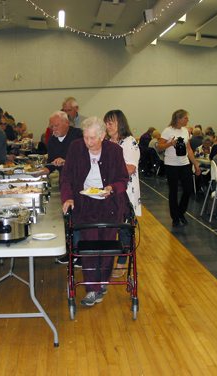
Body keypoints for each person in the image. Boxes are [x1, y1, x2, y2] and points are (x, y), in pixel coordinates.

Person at [61, 116, 129, 306]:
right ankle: (93, 288)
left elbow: (123, 179)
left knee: (106, 246)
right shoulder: (76, 148)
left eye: (92, 138)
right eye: (86, 137)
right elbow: (66, 177)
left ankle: (102, 282)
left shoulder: (115, 151)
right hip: (84, 203)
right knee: (89, 246)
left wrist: (111, 188)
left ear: (102, 136)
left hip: (110, 205)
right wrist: (68, 197)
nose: (88, 142)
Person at [104, 110, 141, 278]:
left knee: (124, 229)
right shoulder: (106, 142)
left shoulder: (129, 142)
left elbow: (131, 167)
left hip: (126, 194)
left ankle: (121, 263)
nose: (107, 126)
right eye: (106, 123)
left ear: (120, 123)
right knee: (110, 227)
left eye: (110, 123)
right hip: (109, 193)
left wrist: (108, 170)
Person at [158, 109, 201, 227]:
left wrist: (196, 164)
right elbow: (159, 147)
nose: (188, 120)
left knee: (188, 189)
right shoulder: (167, 131)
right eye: (186, 118)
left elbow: (189, 149)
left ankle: (180, 212)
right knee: (173, 191)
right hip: (171, 165)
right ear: (178, 119)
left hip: (184, 164)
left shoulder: (186, 131)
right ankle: (175, 217)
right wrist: (170, 144)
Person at [43, 111, 82, 176]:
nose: (54, 129)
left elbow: (83, 159)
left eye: (56, 125)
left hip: (79, 176)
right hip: (64, 178)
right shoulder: (52, 140)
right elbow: (51, 163)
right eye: (52, 127)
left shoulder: (79, 135)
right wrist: (40, 172)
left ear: (67, 123)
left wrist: (66, 162)